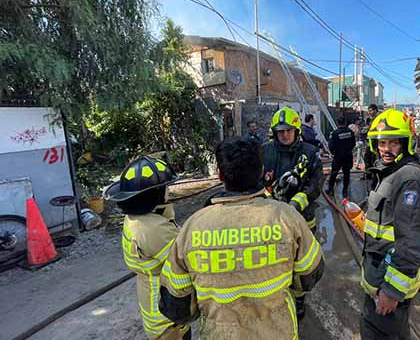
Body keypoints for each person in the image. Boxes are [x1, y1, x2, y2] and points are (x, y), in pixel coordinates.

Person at [158, 138, 324, 339]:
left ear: (220, 174)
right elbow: (309, 276)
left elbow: (177, 307)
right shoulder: (286, 218)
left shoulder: (192, 227)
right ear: (261, 171)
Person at [360, 108, 420, 340]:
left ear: (406, 143)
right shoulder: (390, 172)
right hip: (378, 275)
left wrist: (392, 291)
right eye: (382, 143)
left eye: (393, 142)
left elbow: (412, 240)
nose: (386, 149)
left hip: (388, 281)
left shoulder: (409, 178)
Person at [103, 156, 190, 340]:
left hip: (156, 306)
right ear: (154, 194)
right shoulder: (153, 229)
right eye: (165, 187)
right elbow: (187, 260)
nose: (169, 190)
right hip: (167, 316)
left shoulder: (137, 219)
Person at [262, 106, 323, 319]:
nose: (285, 135)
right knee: (275, 259)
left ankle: (298, 298)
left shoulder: (310, 152)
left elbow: (315, 185)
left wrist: (296, 204)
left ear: (296, 131)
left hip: (303, 218)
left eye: (288, 130)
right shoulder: (265, 151)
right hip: (271, 219)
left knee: (300, 262)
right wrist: (269, 201)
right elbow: (260, 182)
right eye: (281, 131)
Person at [326, 115, 356, 198]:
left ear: (338, 123)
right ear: (345, 123)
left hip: (338, 157)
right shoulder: (350, 132)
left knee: (334, 173)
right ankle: (345, 191)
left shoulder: (335, 133)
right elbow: (353, 144)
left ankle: (330, 189)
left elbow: (331, 146)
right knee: (347, 174)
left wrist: (333, 152)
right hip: (348, 156)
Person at [361, 104, 379, 184]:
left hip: (376, 142)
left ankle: (375, 176)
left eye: (371, 110)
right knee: (366, 158)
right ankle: (368, 174)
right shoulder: (368, 119)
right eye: (369, 110)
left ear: (375, 111)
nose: (370, 112)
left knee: (374, 159)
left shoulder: (378, 119)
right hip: (369, 141)